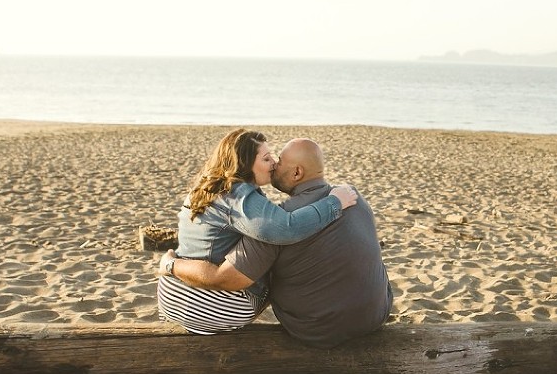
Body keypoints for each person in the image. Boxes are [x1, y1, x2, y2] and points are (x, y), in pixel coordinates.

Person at [160, 137, 392, 348]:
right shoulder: (352, 196)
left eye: (278, 160)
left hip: (315, 331)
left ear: (297, 173)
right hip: (377, 314)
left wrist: (172, 265)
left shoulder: (271, 216)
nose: (274, 164)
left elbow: (229, 277)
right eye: (269, 158)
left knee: (268, 270)